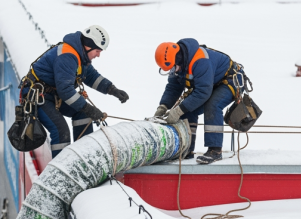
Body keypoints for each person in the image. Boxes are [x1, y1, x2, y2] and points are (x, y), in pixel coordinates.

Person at [22, 25, 129, 157]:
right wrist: (88, 108)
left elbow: (91, 77)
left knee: (83, 115)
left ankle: (83, 158)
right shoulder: (68, 55)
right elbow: (65, 90)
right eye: (97, 51)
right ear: (88, 46)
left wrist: (112, 90)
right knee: (61, 131)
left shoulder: (80, 55)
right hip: (39, 96)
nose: (98, 55)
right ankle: (61, 168)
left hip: (53, 95)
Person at [154, 39, 247, 164]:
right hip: (211, 84)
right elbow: (173, 88)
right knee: (187, 110)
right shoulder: (178, 65)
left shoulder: (200, 60)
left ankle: (215, 150)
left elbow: (203, 92)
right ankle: (187, 149)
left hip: (229, 81)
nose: (173, 71)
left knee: (212, 105)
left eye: (173, 67)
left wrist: (178, 111)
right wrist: (163, 106)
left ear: (178, 59)